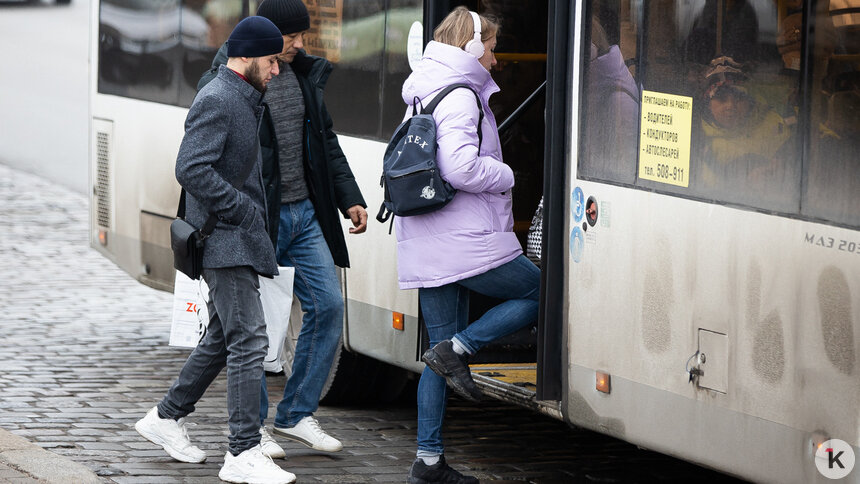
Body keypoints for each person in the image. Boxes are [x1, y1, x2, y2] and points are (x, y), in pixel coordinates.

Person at [198, 0, 368, 459]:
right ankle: (254, 430)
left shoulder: (305, 75)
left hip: (307, 214)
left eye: (300, 36)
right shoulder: (229, 82)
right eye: (291, 37)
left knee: (329, 306)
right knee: (255, 327)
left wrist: (349, 196)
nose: (299, 44)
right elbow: (202, 160)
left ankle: (295, 414)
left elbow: (325, 141)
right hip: (260, 219)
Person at [134, 16, 297, 484]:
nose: (277, 71)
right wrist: (242, 210)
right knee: (250, 339)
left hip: (234, 236)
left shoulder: (243, 97)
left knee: (226, 337)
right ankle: (242, 452)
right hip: (224, 239)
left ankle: (166, 417)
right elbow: (190, 167)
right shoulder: (221, 98)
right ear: (245, 57)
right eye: (271, 61)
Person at [395, 7, 540, 483]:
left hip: (430, 239)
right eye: (492, 48)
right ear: (473, 47)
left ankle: (429, 462)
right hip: (463, 241)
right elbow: (459, 168)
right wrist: (509, 172)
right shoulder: (461, 97)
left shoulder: (425, 87)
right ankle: (463, 345)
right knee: (540, 291)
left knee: (435, 354)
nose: (496, 60)